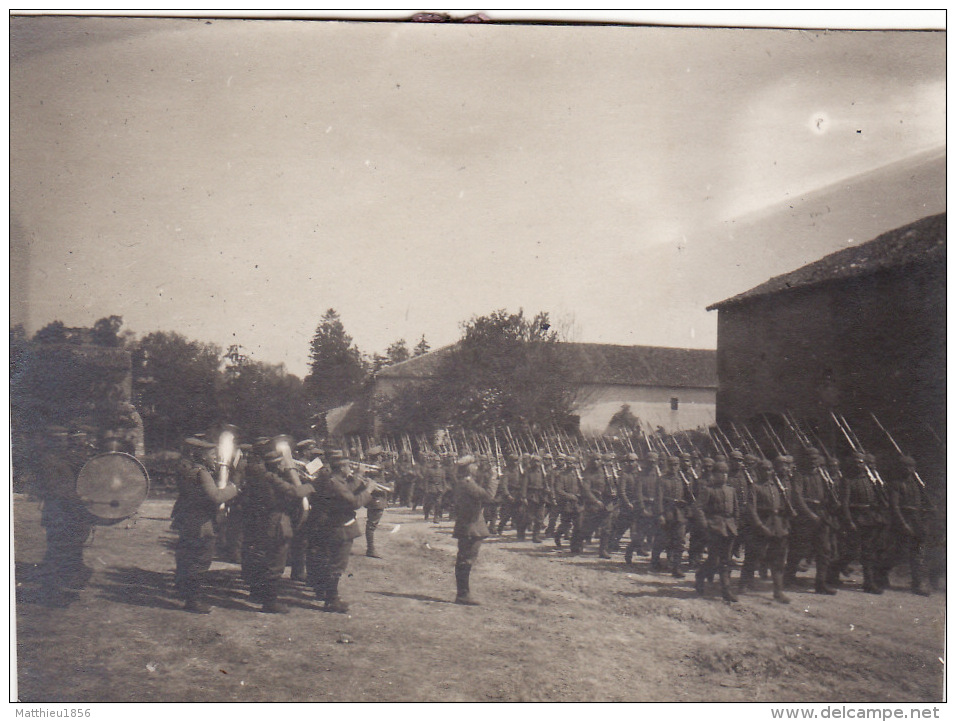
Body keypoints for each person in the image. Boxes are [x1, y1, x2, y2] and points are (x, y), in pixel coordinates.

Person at [241, 439, 314, 613]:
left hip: (264, 521)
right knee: (276, 562)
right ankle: (270, 602)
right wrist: (310, 486)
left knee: (263, 558)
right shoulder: (271, 478)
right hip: (277, 522)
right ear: (276, 464)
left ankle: (258, 593)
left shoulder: (260, 475)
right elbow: (295, 492)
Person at [173, 437, 240, 613]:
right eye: (211, 453)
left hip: (188, 521)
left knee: (188, 559)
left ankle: (187, 595)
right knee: (200, 561)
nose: (215, 456)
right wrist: (233, 489)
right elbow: (216, 497)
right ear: (201, 456)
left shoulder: (187, 470)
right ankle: (193, 601)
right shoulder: (201, 473)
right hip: (202, 524)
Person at [34, 425, 97, 607]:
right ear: (52, 441)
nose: (65, 442)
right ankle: (52, 594)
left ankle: (67, 588)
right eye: (60, 440)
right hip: (58, 514)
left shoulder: (66, 457)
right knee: (57, 554)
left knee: (72, 552)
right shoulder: (48, 461)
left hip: (71, 514)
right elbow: (55, 490)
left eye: (65, 439)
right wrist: (80, 498)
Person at [306, 450, 375, 612]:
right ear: (342, 467)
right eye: (348, 466)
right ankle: (332, 600)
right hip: (340, 528)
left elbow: (346, 491)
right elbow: (354, 502)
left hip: (330, 526)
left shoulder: (334, 480)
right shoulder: (335, 482)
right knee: (337, 564)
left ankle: (325, 593)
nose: (350, 469)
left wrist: (358, 481)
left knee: (328, 561)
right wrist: (369, 490)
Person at [740, 458, 792, 603]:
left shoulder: (777, 487)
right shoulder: (754, 488)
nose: (767, 472)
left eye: (769, 469)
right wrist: (760, 526)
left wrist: (785, 523)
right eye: (763, 470)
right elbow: (751, 509)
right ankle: (744, 583)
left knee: (778, 560)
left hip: (777, 525)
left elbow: (784, 506)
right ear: (758, 471)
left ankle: (778, 591)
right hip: (761, 526)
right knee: (754, 556)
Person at [452, 454, 498, 605]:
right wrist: (493, 479)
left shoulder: (467, 481)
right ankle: (463, 594)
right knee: (466, 559)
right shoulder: (467, 483)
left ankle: (463, 593)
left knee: (466, 559)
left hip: (470, 524)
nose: (477, 467)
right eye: (474, 465)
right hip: (470, 526)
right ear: (469, 468)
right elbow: (488, 496)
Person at [692, 461, 739, 602]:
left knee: (726, 560)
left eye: (726, 473)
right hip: (715, 527)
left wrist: (735, 524)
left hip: (729, 528)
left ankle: (726, 590)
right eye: (721, 473)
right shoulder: (708, 490)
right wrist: (705, 524)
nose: (724, 476)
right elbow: (698, 508)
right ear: (714, 475)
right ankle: (700, 576)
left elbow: (736, 510)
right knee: (714, 559)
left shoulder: (731, 490)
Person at [888, 456, 934, 596]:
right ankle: (880, 573)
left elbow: (923, 502)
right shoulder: (896, 484)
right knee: (898, 553)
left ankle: (917, 583)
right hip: (903, 519)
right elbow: (894, 506)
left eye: (912, 466)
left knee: (918, 552)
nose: (909, 469)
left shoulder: (916, 484)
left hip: (916, 520)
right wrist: (903, 524)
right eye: (906, 466)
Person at [363, 445, 391, 558]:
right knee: (371, 524)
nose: (381, 458)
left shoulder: (377, 468)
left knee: (372, 524)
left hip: (378, 498)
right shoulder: (375, 469)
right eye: (380, 456)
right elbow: (373, 484)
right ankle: (371, 549)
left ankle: (371, 548)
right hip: (376, 499)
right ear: (377, 457)